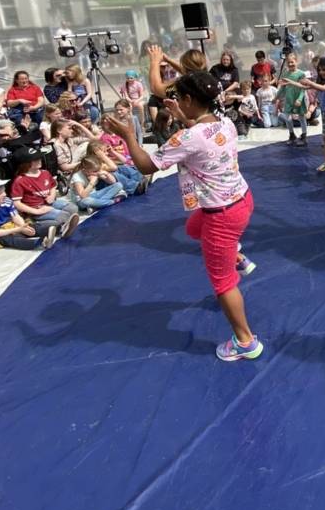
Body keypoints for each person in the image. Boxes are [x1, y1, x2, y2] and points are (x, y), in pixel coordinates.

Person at [102, 71, 262, 362]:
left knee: (223, 283)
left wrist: (128, 136)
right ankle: (237, 257)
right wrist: (180, 115)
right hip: (242, 199)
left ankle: (245, 342)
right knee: (192, 229)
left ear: (188, 99)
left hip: (221, 215)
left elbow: (146, 166)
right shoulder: (224, 121)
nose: (175, 101)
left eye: (178, 98)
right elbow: (201, 136)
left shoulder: (187, 137)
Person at [9, 147, 79, 238]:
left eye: (39, 158)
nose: (39, 161)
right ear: (25, 163)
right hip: (36, 208)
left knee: (72, 208)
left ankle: (61, 224)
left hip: (49, 202)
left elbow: (53, 186)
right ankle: (56, 227)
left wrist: (52, 195)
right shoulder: (20, 181)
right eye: (35, 160)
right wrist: (37, 211)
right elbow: (17, 203)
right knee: (63, 216)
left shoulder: (45, 173)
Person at [0, 176, 54, 250]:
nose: (5, 194)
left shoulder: (5, 201)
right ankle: (39, 243)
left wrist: (23, 226)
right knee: (9, 239)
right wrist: (18, 229)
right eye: (0, 193)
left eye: (4, 191)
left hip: (9, 227)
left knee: (31, 227)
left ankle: (53, 229)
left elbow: (15, 216)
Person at [275, 52, 308, 145]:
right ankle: (292, 135)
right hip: (289, 100)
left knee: (301, 117)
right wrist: (276, 97)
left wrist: (300, 99)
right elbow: (282, 88)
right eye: (288, 62)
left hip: (298, 100)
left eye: (292, 62)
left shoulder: (301, 74)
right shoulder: (285, 73)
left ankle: (304, 136)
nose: (290, 64)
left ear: (296, 61)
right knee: (288, 118)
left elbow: (303, 88)